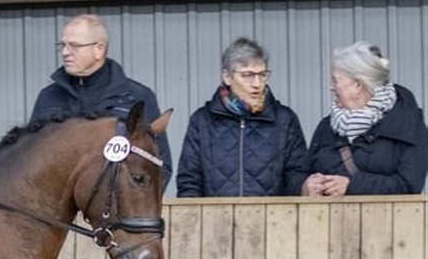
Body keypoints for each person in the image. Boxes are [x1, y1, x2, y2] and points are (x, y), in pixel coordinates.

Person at [30, 14, 172, 185]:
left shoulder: (137, 98)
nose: (65, 52)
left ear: (99, 49)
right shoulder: (48, 98)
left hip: (117, 202)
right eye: (63, 45)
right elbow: (30, 160)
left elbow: (160, 165)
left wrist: (128, 201)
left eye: (74, 45)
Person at [176, 37, 308, 198]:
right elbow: (189, 181)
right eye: (248, 75)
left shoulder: (284, 120)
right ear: (227, 77)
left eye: (262, 75)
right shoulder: (202, 120)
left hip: (272, 214)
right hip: (214, 214)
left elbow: (297, 176)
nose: (257, 84)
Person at [303, 41, 427, 196]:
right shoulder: (327, 126)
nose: (331, 87)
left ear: (358, 85)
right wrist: (306, 186)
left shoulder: (408, 124)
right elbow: (304, 170)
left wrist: (353, 185)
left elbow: (409, 185)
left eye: (336, 80)